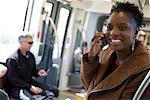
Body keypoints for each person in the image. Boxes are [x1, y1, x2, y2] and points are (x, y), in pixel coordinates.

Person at [80, 2, 150, 100]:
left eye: (122, 28)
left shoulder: (144, 68)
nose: (113, 33)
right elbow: (89, 86)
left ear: (135, 32)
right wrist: (91, 57)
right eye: (109, 27)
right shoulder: (106, 54)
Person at [5, 34, 58, 99]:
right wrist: (30, 87)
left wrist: (38, 72)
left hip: (29, 83)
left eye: (32, 43)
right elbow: (13, 80)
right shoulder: (13, 59)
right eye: (29, 43)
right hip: (17, 88)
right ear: (21, 42)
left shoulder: (31, 56)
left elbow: (33, 71)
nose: (31, 45)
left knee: (54, 92)